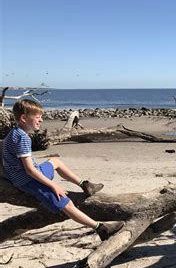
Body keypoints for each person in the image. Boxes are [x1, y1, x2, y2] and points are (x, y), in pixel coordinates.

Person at [2, 99, 123, 241]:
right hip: (29, 180)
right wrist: (54, 186)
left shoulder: (14, 133)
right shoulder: (22, 138)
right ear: (23, 118)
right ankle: (101, 229)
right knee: (66, 203)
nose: (41, 120)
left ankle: (85, 184)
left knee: (55, 161)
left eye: (41, 117)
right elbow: (29, 170)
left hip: (26, 174)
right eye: (37, 117)